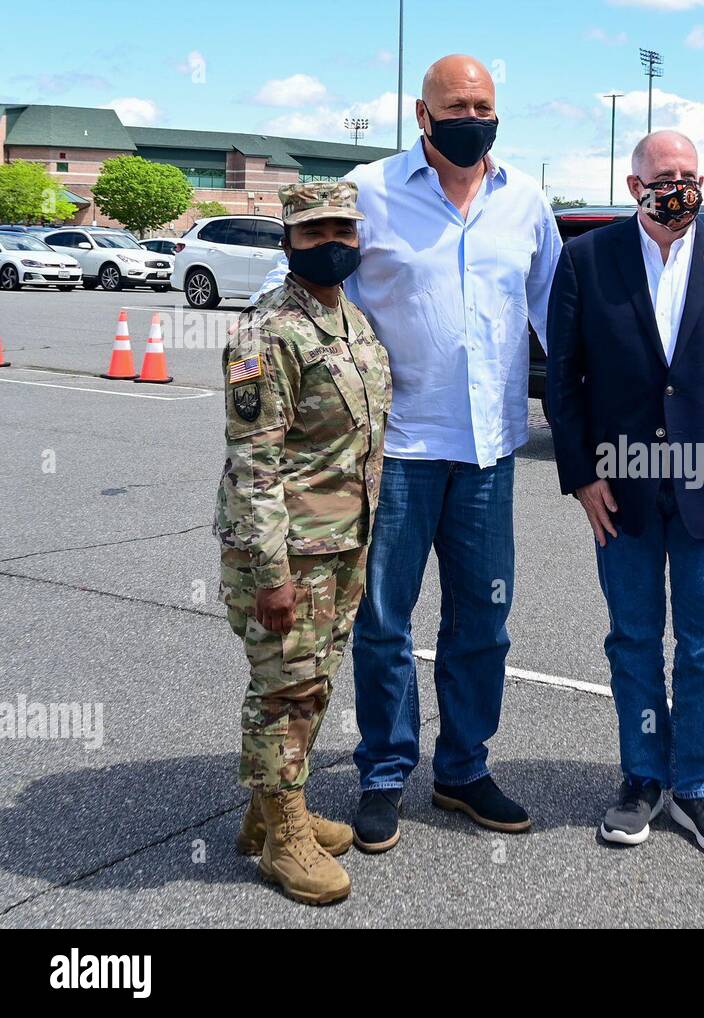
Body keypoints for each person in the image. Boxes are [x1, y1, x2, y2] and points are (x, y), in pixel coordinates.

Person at [253, 54, 562, 851]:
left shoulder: (525, 202)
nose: (472, 116)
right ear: (421, 116)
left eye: (484, 103)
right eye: (455, 105)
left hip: (490, 452)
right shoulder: (371, 192)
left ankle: (462, 769)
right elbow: (321, 296)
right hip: (394, 451)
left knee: (483, 622)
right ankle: (385, 771)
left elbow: (556, 316)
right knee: (384, 621)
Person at [546, 131, 704, 855]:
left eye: (687, 174)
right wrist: (581, 475)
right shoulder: (587, 260)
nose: (676, 185)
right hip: (622, 488)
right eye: (662, 175)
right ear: (633, 184)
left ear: (702, 180)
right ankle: (643, 779)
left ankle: (700, 788)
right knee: (635, 640)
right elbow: (565, 380)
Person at [216, 180, 391, 904]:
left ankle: (270, 811)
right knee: (283, 690)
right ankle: (282, 838)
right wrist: (271, 574)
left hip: (341, 540)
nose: (333, 245)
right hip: (287, 552)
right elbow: (255, 465)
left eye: (342, 232)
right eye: (315, 234)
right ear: (288, 241)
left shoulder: (350, 319)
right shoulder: (267, 332)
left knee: (312, 684)